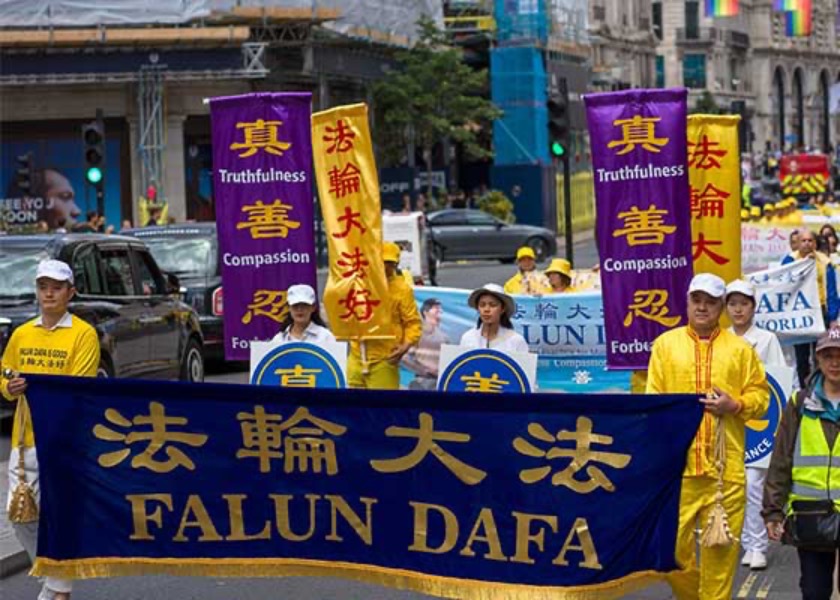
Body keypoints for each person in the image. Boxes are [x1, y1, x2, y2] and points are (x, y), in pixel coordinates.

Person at [647, 273, 769, 600]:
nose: (702, 307)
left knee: (721, 557)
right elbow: (652, 401)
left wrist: (736, 404)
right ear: (687, 302)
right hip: (678, 471)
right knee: (668, 554)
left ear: (722, 307)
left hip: (724, 472)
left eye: (711, 302)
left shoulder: (740, 350)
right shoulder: (665, 346)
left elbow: (761, 398)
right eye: (696, 300)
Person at [1, 259, 100, 600]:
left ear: (70, 293)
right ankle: (53, 579)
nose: (49, 293)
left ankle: (58, 589)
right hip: (24, 438)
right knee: (19, 516)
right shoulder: (22, 333)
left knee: (57, 514)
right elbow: (4, 372)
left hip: (64, 442)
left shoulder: (83, 334)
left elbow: (80, 387)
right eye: (43, 287)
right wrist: (7, 388)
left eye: (57, 288)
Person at [763, 325, 840, 600]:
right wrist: (772, 511)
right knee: (814, 591)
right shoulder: (799, 403)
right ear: (817, 359)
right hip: (811, 516)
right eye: (828, 355)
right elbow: (781, 459)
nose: (835, 362)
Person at [725, 279, 786, 571]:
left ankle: (756, 545)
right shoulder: (720, 338)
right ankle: (736, 540)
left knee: (754, 483)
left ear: (753, 306)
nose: (738, 310)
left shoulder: (767, 339)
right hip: (727, 421)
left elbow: (778, 383)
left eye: (744, 303)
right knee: (729, 485)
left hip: (759, 421)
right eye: (733, 304)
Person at [347, 242, 422, 389]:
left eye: (389, 263)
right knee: (354, 408)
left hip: (385, 358)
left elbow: (413, 323)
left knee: (382, 407)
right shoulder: (359, 283)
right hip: (356, 355)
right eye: (381, 262)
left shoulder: (402, 290)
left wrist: (405, 346)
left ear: (396, 264)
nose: (385, 267)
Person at [782, 229, 839, 388]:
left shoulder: (825, 262)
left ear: (815, 243)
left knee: (821, 353)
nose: (807, 244)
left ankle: (820, 387)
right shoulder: (789, 261)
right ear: (797, 243)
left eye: (810, 241)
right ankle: (804, 389)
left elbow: (832, 291)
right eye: (803, 241)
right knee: (801, 355)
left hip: (821, 312)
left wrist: (833, 317)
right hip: (799, 313)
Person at [460, 283, 528, 353]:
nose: (486, 309)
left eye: (493, 305)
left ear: (502, 309)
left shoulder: (516, 341)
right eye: (482, 305)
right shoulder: (468, 338)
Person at [403, 298, 450, 390]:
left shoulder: (445, 337)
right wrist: (424, 370)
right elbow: (405, 357)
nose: (439, 310)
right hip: (421, 382)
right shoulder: (417, 334)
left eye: (440, 309)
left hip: (441, 383)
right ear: (425, 312)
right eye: (436, 308)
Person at [270, 284, 335, 344]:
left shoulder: (325, 337)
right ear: (289, 308)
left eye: (304, 305)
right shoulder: (279, 339)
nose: (299, 309)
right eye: (295, 305)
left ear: (313, 307)